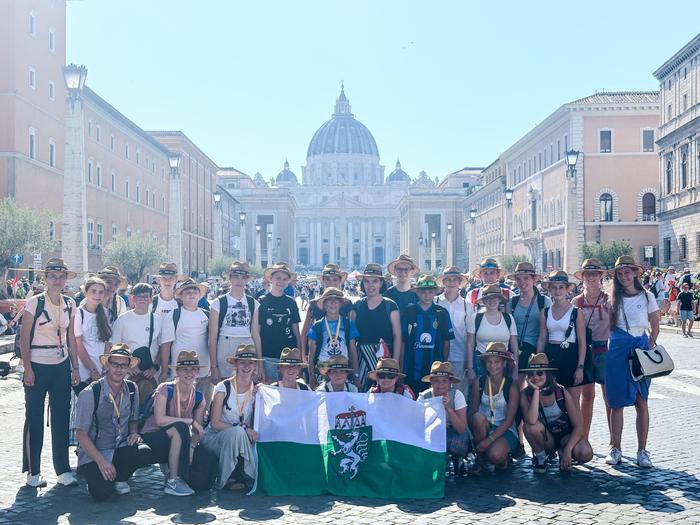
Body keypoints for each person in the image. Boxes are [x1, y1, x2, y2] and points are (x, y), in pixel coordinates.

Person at [20, 257, 80, 488]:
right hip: (37, 362)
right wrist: (28, 369)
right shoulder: (35, 303)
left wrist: (75, 367)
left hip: (61, 362)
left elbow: (71, 339)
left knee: (61, 418)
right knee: (34, 418)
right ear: (46, 279)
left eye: (61, 276)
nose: (58, 280)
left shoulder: (70, 304)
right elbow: (25, 338)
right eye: (53, 276)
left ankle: (62, 469)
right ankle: (33, 472)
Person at [74, 345, 151, 501]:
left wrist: (134, 432)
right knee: (102, 494)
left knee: (145, 451)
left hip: (119, 447)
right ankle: (97, 475)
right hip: (96, 453)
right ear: (107, 365)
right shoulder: (90, 393)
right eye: (115, 364)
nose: (119, 369)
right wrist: (101, 461)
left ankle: (120, 477)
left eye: (124, 365)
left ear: (129, 368)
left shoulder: (131, 388)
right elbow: (81, 434)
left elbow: (133, 420)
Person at [605, 256, 660, 468]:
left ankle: (642, 451)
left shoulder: (647, 296)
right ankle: (615, 448)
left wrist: (652, 341)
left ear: (635, 273)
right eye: (620, 273)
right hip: (618, 349)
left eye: (627, 272)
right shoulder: (612, 297)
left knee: (641, 401)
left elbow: (655, 320)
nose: (624, 276)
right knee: (616, 402)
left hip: (640, 347)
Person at [140, 351, 207, 496]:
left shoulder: (199, 397)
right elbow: (160, 420)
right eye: (184, 369)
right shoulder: (165, 388)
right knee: (181, 428)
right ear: (177, 371)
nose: (189, 373)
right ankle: (173, 480)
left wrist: (191, 446)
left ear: (198, 371)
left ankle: (180, 474)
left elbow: (199, 430)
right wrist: (189, 421)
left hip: (179, 439)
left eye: (193, 369)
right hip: (153, 436)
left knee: (204, 476)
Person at [520, 353, 593, 473]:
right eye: (531, 374)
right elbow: (531, 421)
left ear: (547, 374)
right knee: (528, 427)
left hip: (565, 436)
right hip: (546, 439)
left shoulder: (561, 391)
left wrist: (568, 449)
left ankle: (563, 451)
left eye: (539, 373)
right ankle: (541, 458)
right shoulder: (525, 395)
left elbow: (578, 426)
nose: (535, 377)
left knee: (585, 453)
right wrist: (536, 392)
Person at [202, 344, 260, 490]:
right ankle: (229, 476)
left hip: (243, 439)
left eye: (250, 362)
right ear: (236, 365)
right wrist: (242, 428)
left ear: (255, 366)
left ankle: (249, 473)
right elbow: (215, 423)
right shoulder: (223, 387)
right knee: (237, 432)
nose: (246, 366)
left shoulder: (258, 390)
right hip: (216, 438)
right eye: (242, 362)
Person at [572, 259, 611, 441]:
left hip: (605, 351)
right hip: (585, 352)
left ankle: (614, 441)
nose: (591, 278)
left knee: (609, 398)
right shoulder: (576, 302)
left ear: (600, 277)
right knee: (587, 397)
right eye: (587, 274)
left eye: (594, 274)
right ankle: (583, 438)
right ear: (583, 278)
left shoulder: (609, 300)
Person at [536, 271, 589, 402]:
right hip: (551, 356)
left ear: (566, 290)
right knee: (550, 399)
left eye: (561, 287)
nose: (557, 291)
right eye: (554, 287)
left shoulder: (577, 312)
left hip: (570, 355)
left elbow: (582, 341)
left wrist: (580, 367)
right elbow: (542, 338)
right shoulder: (545, 312)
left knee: (573, 401)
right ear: (549, 289)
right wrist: (538, 363)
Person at [469, 342, 520, 474]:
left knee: (495, 455)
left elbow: (509, 421)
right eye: (489, 362)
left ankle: (503, 458)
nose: (493, 365)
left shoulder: (511, 385)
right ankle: (480, 460)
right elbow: (473, 412)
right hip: (484, 427)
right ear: (485, 363)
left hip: (506, 430)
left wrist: (488, 441)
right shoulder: (479, 382)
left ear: (504, 363)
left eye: (497, 362)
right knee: (477, 417)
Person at [349, 264, 402, 391]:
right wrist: (355, 371)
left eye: (374, 281)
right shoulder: (356, 306)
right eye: (366, 281)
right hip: (361, 360)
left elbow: (397, 336)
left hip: (384, 360)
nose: (370, 285)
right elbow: (351, 339)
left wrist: (394, 364)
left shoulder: (390, 305)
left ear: (381, 283)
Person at [159, 279, 212, 401]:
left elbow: (212, 341)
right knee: (178, 406)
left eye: (195, 291)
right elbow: (166, 345)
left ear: (199, 295)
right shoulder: (173, 315)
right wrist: (164, 370)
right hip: (179, 372)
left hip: (203, 371)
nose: (192, 294)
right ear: (181, 296)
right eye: (187, 292)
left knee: (202, 407)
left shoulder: (207, 315)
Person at [110, 283, 163, 401]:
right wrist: (128, 367)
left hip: (150, 374)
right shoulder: (122, 319)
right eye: (139, 296)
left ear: (150, 299)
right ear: (132, 298)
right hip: (128, 374)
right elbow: (114, 347)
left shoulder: (158, 320)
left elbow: (161, 348)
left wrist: (154, 368)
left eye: (146, 296)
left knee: (148, 408)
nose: (142, 299)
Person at [402, 275, 454, 395]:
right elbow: (403, 340)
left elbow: (447, 341)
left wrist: (444, 363)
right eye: (423, 292)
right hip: (411, 367)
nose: (427, 295)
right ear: (418, 293)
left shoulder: (441, 313)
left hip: (435, 369)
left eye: (430, 292)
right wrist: (401, 366)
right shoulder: (409, 312)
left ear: (435, 293)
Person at [208, 261, 259, 382]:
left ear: (247, 280)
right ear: (230, 278)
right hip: (226, 344)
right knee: (226, 386)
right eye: (236, 276)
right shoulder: (218, 303)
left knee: (247, 385)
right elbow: (212, 337)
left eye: (244, 277)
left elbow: (256, 334)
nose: (239, 281)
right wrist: (213, 366)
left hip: (248, 346)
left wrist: (259, 363)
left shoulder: (254, 304)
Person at [251, 263, 301, 383]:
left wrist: (299, 358)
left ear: (288, 281)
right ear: (271, 279)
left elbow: (296, 333)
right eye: (278, 278)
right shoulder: (261, 302)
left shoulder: (291, 302)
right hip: (268, 356)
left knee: (288, 392)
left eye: (285, 279)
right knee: (269, 391)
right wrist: (259, 362)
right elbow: (256, 333)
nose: (281, 282)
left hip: (289, 357)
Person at [418, 361, 469, 476]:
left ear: (450, 382)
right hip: (432, 433)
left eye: (444, 381)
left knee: (458, 445)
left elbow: (461, 429)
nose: (440, 385)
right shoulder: (423, 397)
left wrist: (449, 409)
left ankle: (457, 459)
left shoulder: (457, 395)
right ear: (431, 381)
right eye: (437, 380)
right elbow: (417, 424)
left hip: (453, 432)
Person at [306, 287, 359, 390]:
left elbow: (353, 351)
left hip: (342, 370)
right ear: (325, 304)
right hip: (322, 369)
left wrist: (356, 375)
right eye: (330, 300)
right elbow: (311, 355)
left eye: (336, 300)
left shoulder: (348, 324)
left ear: (340, 304)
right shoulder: (317, 326)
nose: (333, 303)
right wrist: (311, 376)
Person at [466, 284, 519, 384]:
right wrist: (470, 368)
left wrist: (516, 369)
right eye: (488, 299)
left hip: (504, 362)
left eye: (495, 298)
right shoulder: (476, 318)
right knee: (481, 392)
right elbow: (470, 344)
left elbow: (514, 345)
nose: (491, 301)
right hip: (481, 362)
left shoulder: (508, 318)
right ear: (484, 301)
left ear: (499, 300)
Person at [506, 262, 550, 384]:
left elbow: (545, 332)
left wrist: (539, 356)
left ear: (533, 279)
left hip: (535, 349)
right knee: (516, 387)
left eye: (526, 278)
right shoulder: (512, 302)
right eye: (519, 279)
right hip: (515, 349)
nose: (522, 282)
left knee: (534, 388)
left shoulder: (544, 301)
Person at [299, 264, 351, 361]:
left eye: (334, 279)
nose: (331, 283)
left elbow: (351, 332)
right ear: (322, 281)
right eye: (327, 279)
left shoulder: (347, 304)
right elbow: (305, 331)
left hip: (341, 354)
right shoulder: (314, 304)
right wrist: (302, 355)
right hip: (317, 353)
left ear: (340, 281)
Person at [435, 267, 471, 395]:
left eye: (454, 280)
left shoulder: (467, 305)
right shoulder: (435, 301)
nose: (451, 283)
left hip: (459, 355)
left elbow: (470, 334)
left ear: (459, 282)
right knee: (439, 391)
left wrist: (469, 360)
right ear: (444, 282)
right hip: (438, 354)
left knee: (459, 393)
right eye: (448, 280)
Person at [74, 277, 112, 394]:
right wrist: (92, 369)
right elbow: (78, 344)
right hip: (84, 371)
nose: (97, 295)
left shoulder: (104, 313)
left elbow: (107, 342)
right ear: (85, 292)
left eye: (101, 292)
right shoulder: (78, 313)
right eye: (93, 291)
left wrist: (105, 366)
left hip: (101, 370)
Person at [384, 254, 420, 320]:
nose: (403, 273)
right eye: (399, 269)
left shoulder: (418, 294)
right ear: (395, 271)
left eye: (406, 269)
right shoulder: (387, 295)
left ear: (412, 272)